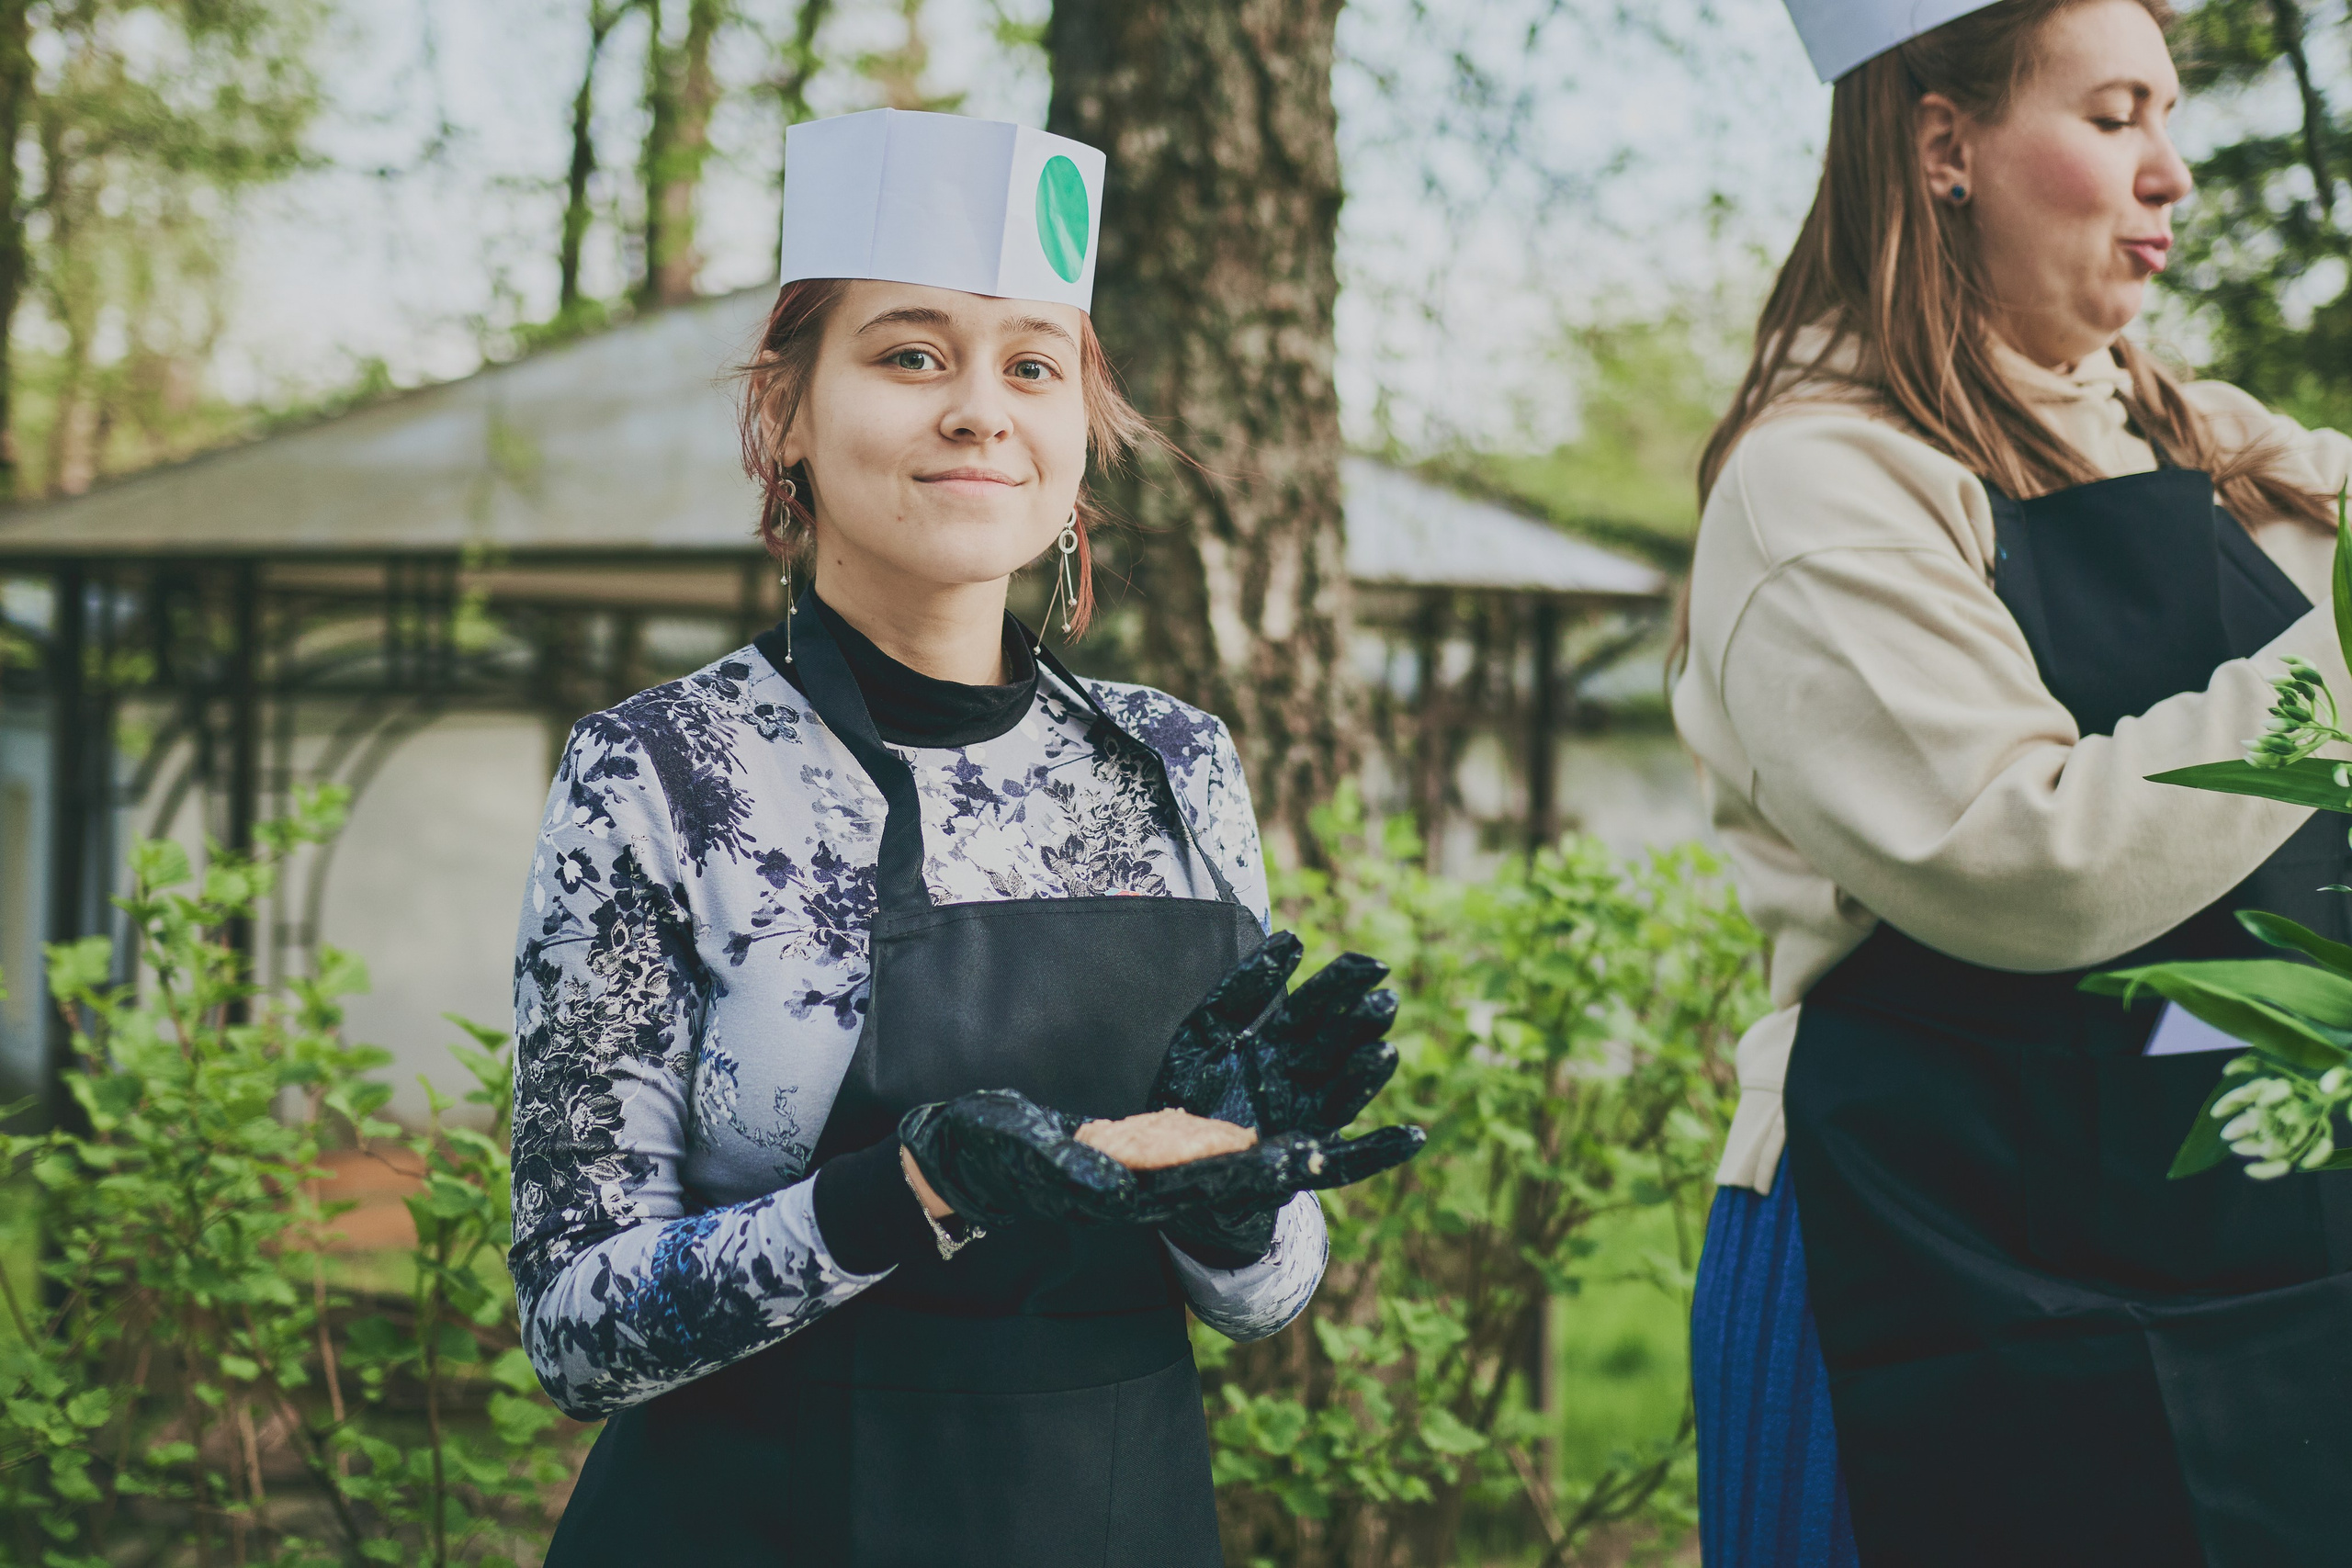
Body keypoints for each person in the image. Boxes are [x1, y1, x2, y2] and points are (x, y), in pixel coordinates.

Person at [508, 108, 1421, 1567]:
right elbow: (573, 1330)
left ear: (1077, 434)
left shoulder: (1175, 762)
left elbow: (1265, 1303)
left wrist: (1239, 1195)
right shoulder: (666, 769)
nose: (981, 409)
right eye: (912, 354)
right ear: (788, 411)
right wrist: (907, 1191)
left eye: (1033, 366)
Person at [1675, 2, 2352, 1563]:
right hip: (1925, 1263)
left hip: (2244, 1259)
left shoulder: (2210, 439)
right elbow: (2018, 860)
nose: (2170, 172)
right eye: (2116, 116)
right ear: (1943, 145)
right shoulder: (1819, 480)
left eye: (2171, 117)